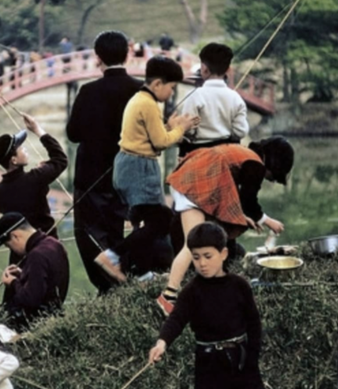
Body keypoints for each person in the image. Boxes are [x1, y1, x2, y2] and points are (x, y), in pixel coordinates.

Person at [149, 222, 275, 389]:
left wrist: (252, 360)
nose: (202, 264)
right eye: (196, 258)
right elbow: (176, 319)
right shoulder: (191, 291)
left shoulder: (240, 286)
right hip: (208, 364)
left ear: (223, 254)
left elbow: (254, 325)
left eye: (208, 256)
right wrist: (162, 342)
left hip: (240, 360)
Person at [157, 137, 295, 314]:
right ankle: (168, 297)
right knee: (192, 245)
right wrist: (268, 221)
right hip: (196, 184)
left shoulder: (244, 153)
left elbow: (229, 195)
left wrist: (242, 216)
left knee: (201, 240)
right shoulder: (256, 165)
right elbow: (249, 202)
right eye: (274, 176)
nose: (270, 180)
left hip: (190, 179)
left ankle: (202, 288)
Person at [66, 30, 142, 293]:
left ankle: (109, 285)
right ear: (128, 54)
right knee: (118, 231)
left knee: (89, 232)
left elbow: (73, 134)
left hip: (91, 175)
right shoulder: (140, 91)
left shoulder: (88, 92)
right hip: (129, 175)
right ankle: (123, 281)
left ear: (97, 58)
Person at [113, 56, 198, 211]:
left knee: (140, 217)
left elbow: (147, 135)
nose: (172, 93)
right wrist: (182, 128)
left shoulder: (138, 98)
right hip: (140, 167)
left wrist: (169, 127)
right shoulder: (149, 105)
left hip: (125, 163)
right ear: (158, 84)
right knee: (156, 220)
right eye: (172, 87)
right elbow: (161, 142)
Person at [0, 112, 68, 239]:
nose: (25, 149)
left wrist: (40, 178)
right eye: (21, 148)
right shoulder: (35, 178)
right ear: (13, 160)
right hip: (47, 245)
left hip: (20, 251)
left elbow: (23, 196)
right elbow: (61, 159)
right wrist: (37, 129)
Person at [0, 212, 69, 329]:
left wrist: (13, 283)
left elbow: (31, 300)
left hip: (38, 323)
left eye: (9, 246)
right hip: (54, 314)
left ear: (15, 236)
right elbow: (47, 281)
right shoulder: (54, 243)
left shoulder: (36, 255)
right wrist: (23, 274)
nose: (13, 250)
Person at [179, 43, 248, 157]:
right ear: (228, 70)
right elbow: (240, 132)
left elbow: (188, 130)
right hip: (228, 155)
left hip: (199, 156)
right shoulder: (236, 98)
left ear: (204, 69)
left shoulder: (194, 96)